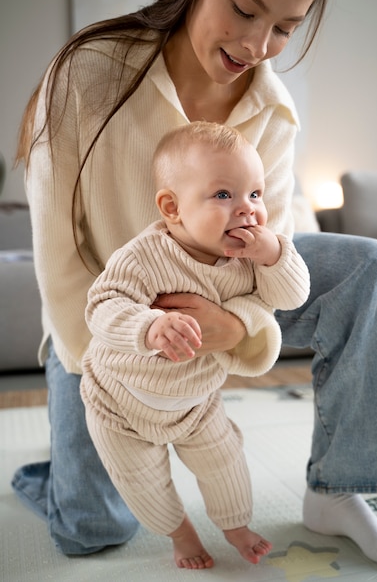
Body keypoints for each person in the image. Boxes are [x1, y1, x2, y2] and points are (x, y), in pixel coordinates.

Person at [12, 0, 377, 574]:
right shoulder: (90, 73)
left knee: (375, 267)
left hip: (221, 300)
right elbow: (57, 252)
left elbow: (264, 252)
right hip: (109, 329)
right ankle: (55, 462)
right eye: (244, 8)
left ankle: (338, 489)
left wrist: (237, 331)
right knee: (92, 528)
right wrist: (112, 367)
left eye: (284, 27)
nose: (257, 44)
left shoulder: (273, 114)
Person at [80, 121, 310, 569]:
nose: (247, 210)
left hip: (197, 400)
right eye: (224, 195)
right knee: (142, 484)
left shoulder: (251, 257)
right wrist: (147, 327)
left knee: (226, 464)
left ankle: (235, 526)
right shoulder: (143, 256)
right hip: (119, 403)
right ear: (173, 207)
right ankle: (181, 534)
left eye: (255, 195)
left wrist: (275, 254)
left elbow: (292, 296)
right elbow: (103, 305)